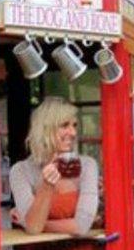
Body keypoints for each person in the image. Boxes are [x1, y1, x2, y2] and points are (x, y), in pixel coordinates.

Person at [9, 97, 99, 235]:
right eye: (64, 125)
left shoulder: (87, 166)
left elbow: (81, 226)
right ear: (44, 129)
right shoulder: (20, 171)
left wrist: (25, 222)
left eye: (75, 125)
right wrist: (46, 185)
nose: (73, 133)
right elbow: (33, 229)